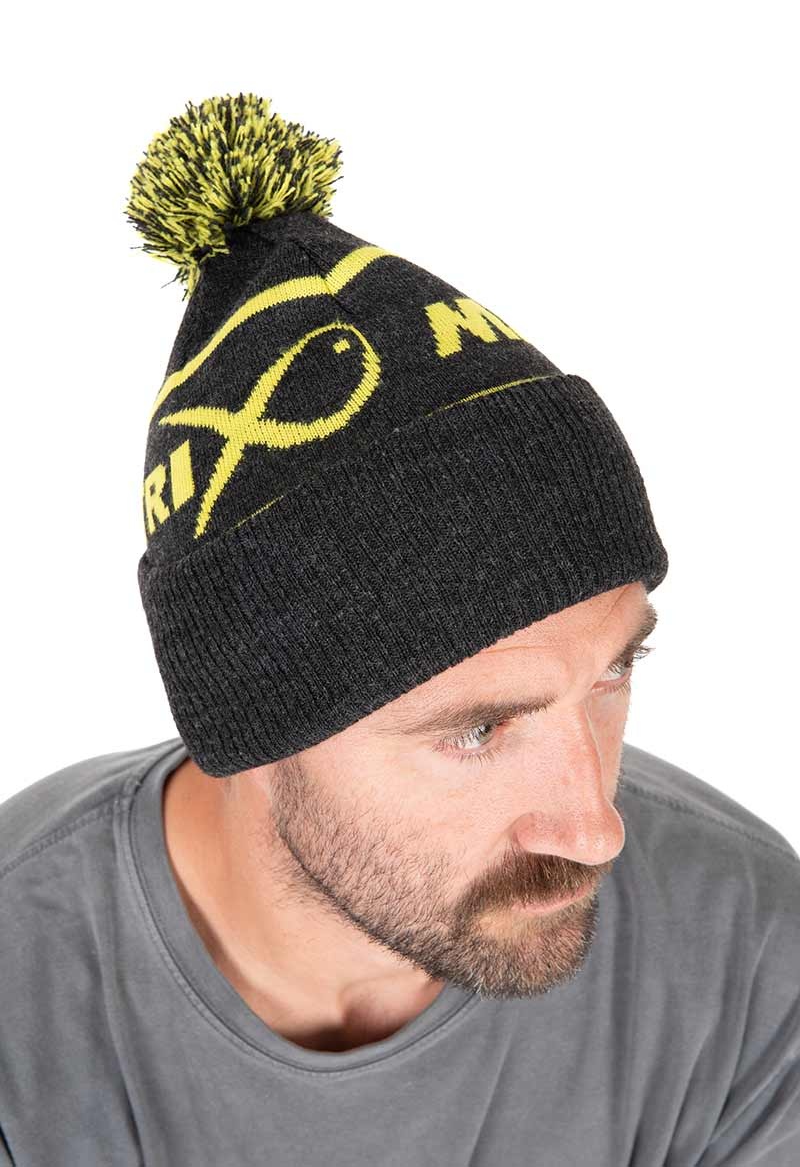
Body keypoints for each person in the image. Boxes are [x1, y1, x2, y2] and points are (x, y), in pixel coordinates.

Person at [0, 92, 797, 1166]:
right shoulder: (21, 996)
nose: (594, 827)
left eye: (614, 671)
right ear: (253, 724)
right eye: (478, 728)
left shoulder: (745, 949)